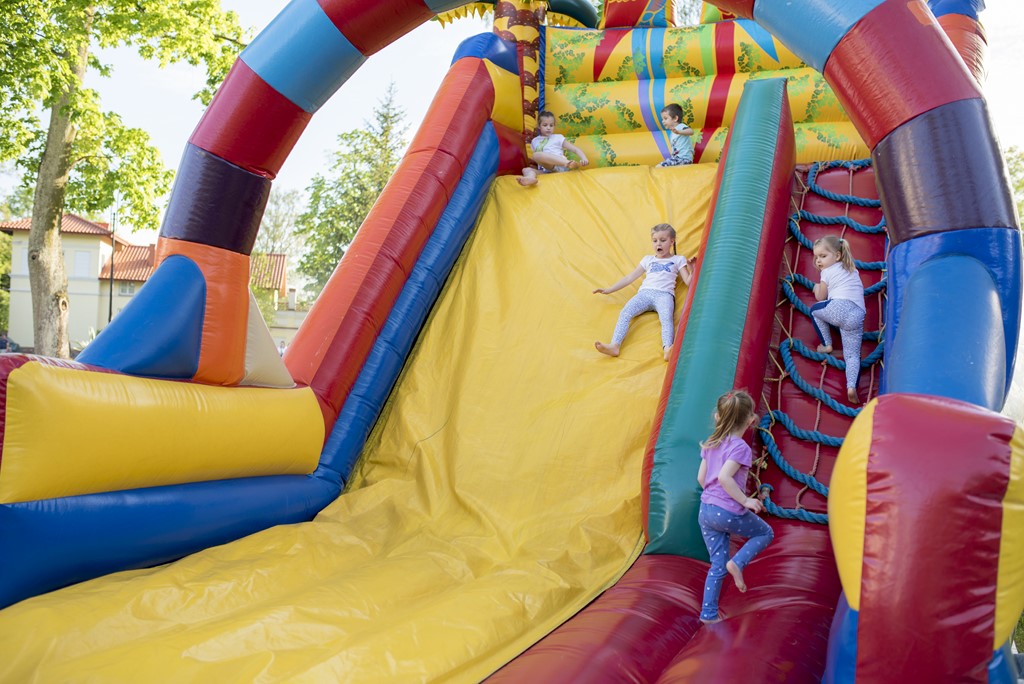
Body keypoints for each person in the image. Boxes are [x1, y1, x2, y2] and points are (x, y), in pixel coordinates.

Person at [696, 390, 774, 625]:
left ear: (718, 417)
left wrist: (714, 498)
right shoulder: (740, 447)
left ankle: (708, 614)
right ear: (751, 420)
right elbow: (724, 477)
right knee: (765, 533)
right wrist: (746, 500)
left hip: (706, 511)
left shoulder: (711, 443)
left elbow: (701, 478)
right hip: (727, 511)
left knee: (717, 565)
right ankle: (738, 562)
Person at [593, 223, 695, 361]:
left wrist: (692, 269)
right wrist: (609, 289)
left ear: (672, 241)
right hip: (645, 294)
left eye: (663, 240)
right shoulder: (648, 259)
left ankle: (667, 349)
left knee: (666, 317)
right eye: (655, 241)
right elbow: (630, 277)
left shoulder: (678, 259)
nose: (658, 244)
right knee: (626, 312)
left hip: (664, 295)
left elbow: (689, 282)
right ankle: (615, 345)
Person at [809, 235, 865, 404]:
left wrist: (816, 288)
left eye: (823, 256)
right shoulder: (852, 268)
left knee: (814, 311)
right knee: (853, 356)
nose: (818, 261)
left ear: (838, 256)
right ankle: (851, 387)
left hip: (840, 308)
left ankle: (827, 344)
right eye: (816, 257)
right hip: (858, 315)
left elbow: (821, 297)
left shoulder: (826, 272)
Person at [517, 111, 589, 186]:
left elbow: (575, 149)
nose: (548, 128)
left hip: (559, 167)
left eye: (551, 125)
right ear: (539, 126)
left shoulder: (558, 138)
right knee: (526, 169)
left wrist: (584, 158)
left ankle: (567, 163)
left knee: (535, 155)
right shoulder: (534, 141)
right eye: (545, 125)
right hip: (546, 171)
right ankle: (530, 178)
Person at [656, 103, 694, 168]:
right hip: (677, 159)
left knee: (659, 166)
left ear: (675, 118)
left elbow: (691, 131)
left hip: (683, 158)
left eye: (665, 118)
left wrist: (679, 132)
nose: (663, 121)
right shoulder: (673, 133)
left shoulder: (680, 126)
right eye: (662, 119)